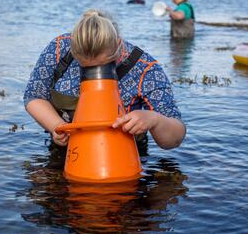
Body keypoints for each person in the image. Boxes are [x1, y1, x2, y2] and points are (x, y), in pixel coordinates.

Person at [24, 9, 186, 154]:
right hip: (68, 152)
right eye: (85, 67)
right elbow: (34, 95)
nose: (94, 76)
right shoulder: (59, 47)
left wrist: (154, 120)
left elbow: (175, 137)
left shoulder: (146, 69)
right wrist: (57, 127)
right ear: (73, 46)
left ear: (118, 45)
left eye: (103, 66)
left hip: (123, 156)